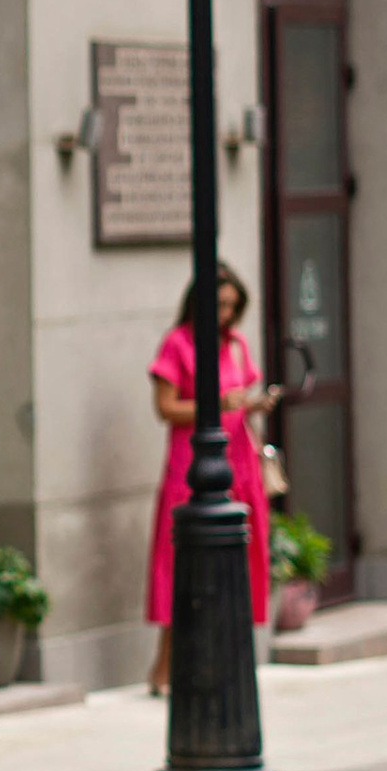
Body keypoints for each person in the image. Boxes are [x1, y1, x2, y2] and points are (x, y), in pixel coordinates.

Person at [144, 264, 279, 695]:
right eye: (219, 305)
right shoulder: (178, 344)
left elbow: (240, 398)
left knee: (241, 559)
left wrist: (255, 405)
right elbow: (166, 409)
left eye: (232, 307)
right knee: (180, 561)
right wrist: (215, 403)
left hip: (239, 461)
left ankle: (221, 662)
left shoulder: (235, 345)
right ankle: (163, 668)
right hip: (191, 466)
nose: (225, 315)